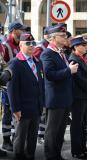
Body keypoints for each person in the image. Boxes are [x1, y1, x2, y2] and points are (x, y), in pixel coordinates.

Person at [40, 24, 78, 160]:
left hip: (64, 98)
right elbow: (50, 74)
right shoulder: (47, 53)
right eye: (62, 36)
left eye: (65, 35)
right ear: (52, 38)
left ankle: (57, 155)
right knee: (52, 131)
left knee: (60, 131)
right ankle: (50, 156)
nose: (65, 37)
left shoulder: (60, 52)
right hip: (55, 98)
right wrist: (69, 70)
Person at [7, 32, 44, 160]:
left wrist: (42, 104)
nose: (31, 46)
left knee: (32, 139)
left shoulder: (38, 62)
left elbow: (41, 85)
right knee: (20, 138)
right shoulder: (15, 63)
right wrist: (15, 109)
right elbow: (12, 89)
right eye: (28, 43)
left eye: (33, 43)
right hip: (22, 109)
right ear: (21, 45)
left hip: (36, 107)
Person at [69, 36, 87, 159]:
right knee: (77, 124)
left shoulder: (83, 58)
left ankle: (82, 148)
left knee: (83, 123)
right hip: (78, 97)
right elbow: (78, 77)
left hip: (86, 95)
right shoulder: (74, 59)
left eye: (86, 45)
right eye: (82, 45)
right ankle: (76, 150)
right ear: (75, 47)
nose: (85, 47)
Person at [2, 22, 27, 152]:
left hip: (20, 85)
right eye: (20, 30)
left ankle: (14, 138)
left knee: (16, 113)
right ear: (13, 30)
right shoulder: (6, 46)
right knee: (7, 113)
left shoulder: (20, 45)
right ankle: (6, 141)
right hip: (8, 86)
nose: (23, 31)